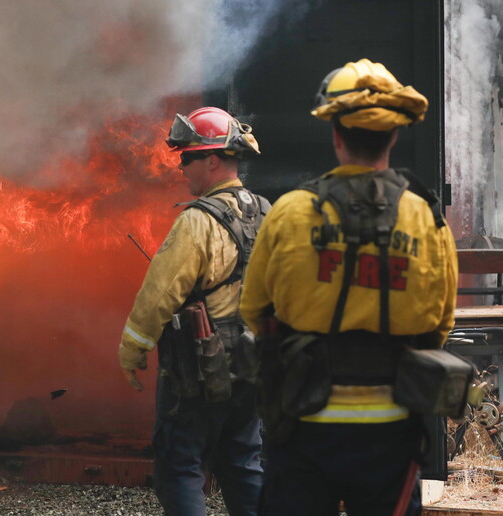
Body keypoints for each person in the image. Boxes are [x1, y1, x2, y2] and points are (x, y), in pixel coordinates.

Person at [239, 58, 458, 515]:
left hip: (302, 418)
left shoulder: (290, 212)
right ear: (394, 135)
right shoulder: (427, 219)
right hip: (394, 427)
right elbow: (439, 325)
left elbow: (254, 310)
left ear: (336, 135)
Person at [118, 106, 268, 516]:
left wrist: (132, 351)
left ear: (213, 160)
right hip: (252, 365)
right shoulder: (268, 214)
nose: (182, 168)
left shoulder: (196, 222)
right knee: (242, 462)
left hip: (198, 371)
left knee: (180, 465)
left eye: (188, 158)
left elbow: (159, 295)